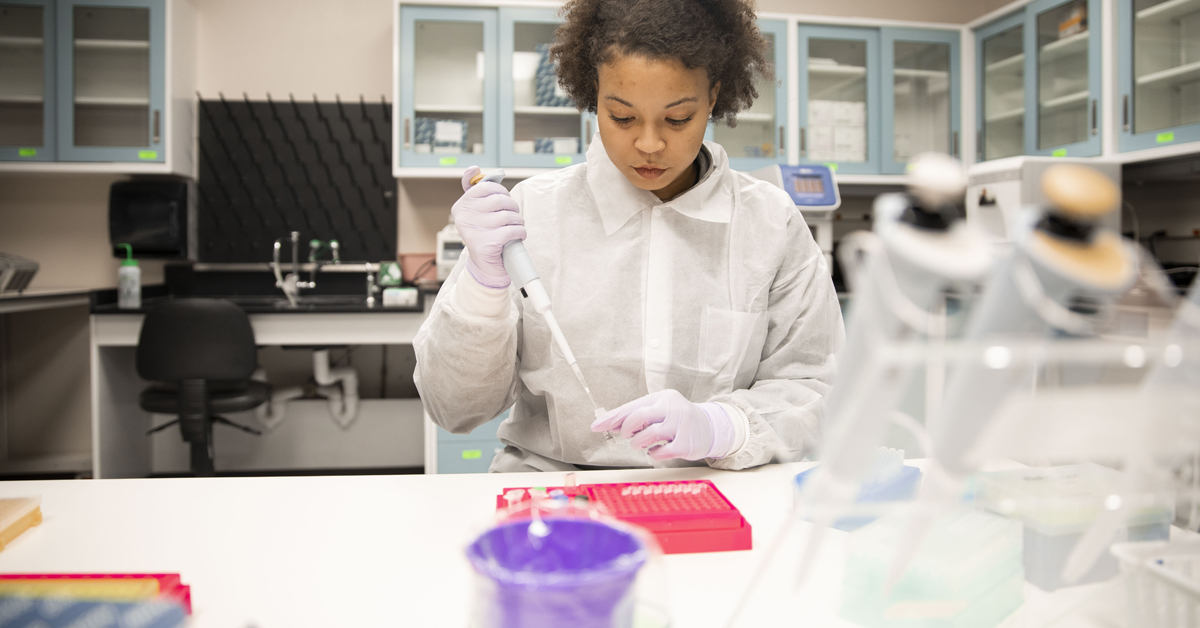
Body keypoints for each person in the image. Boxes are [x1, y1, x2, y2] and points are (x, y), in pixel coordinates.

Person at [414, 0, 844, 472]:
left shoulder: (769, 223)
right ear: (594, 95)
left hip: (714, 490)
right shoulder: (532, 213)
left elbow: (813, 385)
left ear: (714, 97)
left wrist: (724, 427)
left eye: (677, 119)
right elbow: (454, 410)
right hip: (557, 498)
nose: (649, 144)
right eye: (621, 117)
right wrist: (481, 287)